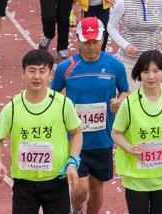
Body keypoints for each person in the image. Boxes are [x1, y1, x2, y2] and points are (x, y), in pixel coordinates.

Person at [0, 48, 84, 214]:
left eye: (42, 71)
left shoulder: (63, 104)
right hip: (24, 184)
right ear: (23, 74)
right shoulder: (12, 107)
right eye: (31, 71)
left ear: (49, 75)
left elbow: (76, 132)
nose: (37, 76)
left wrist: (73, 161)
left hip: (56, 181)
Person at [51, 16, 129, 214]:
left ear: (102, 39)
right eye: (86, 42)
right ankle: (76, 208)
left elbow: (125, 91)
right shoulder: (65, 68)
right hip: (76, 139)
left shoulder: (115, 66)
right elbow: (52, 96)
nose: (91, 46)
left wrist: (120, 101)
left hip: (102, 139)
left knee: (96, 190)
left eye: (95, 41)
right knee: (80, 188)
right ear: (78, 40)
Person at [111, 50, 162, 214]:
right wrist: (130, 148)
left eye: (156, 71)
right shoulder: (129, 103)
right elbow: (116, 133)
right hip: (136, 178)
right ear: (139, 74)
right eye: (146, 72)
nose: (151, 76)